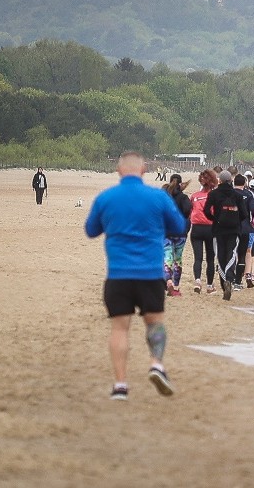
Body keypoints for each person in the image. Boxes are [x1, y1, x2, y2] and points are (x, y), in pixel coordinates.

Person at [84, 151, 186, 400]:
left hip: (118, 274)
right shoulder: (157, 197)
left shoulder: (106, 198)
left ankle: (120, 385)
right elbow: (179, 227)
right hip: (150, 274)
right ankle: (156, 364)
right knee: (155, 323)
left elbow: (91, 230)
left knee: (120, 328)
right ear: (144, 169)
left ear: (118, 171)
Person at [203, 170, 248, 301]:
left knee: (220, 256)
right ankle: (229, 278)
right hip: (234, 230)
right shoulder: (237, 195)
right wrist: (236, 221)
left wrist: (214, 218)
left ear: (220, 181)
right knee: (232, 254)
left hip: (218, 229)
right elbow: (244, 214)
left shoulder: (213, 194)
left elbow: (206, 210)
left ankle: (224, 284)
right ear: (231, 180)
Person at [189, 169, 219, 295]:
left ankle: (197, 281)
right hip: (210, 228)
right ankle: (209, 285)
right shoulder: (214, 196)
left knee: (198, 257)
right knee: (210, 258)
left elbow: (190, 211)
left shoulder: (194, 196)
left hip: (196, 228)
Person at [163, 174, 192, 297]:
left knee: (167, 258)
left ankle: (168, 280)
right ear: (180, 184)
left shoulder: (165, 197)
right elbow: (187, 211)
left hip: (166, 232)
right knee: (178, 259)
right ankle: (176, 287)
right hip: (180, 233)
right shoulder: (184, 197)